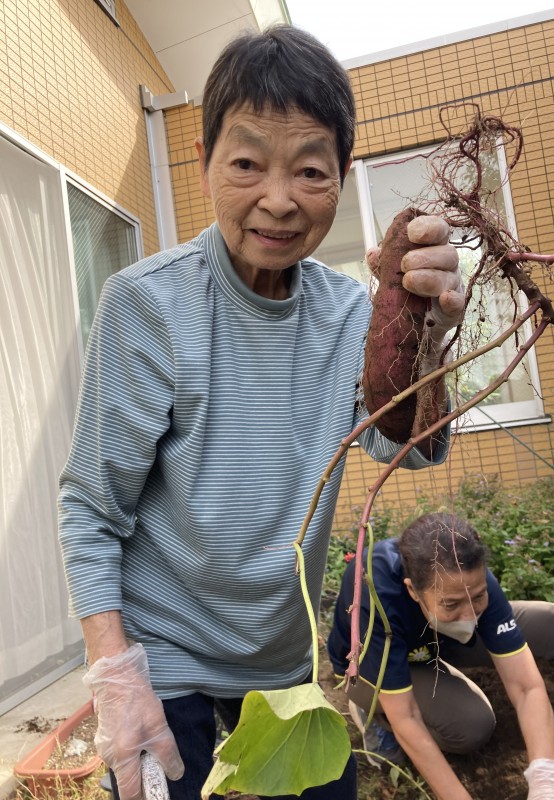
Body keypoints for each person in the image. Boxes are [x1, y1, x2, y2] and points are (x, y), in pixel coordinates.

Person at [57, 24, 465, 800]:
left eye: (309, 171)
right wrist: (114, 673)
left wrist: (425, 338)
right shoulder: (147, 305)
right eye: (247, 164)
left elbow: (407, 445)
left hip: (281, 663)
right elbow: (91, 509)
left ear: (341, 176)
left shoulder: (350, 316)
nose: (278, 200)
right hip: (162, 656)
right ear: (203, 161)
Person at [328, 511, 554, 800]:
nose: (470, 614)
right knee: (470, 725)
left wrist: (546, 781)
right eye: (452, 603)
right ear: (413, 590)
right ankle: (372, 712)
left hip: (438, 637)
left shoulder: (466, 577)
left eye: (478, 597)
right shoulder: (373, 593)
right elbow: (407, 716)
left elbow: (525, 686)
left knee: (552, 623)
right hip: (367, 667)